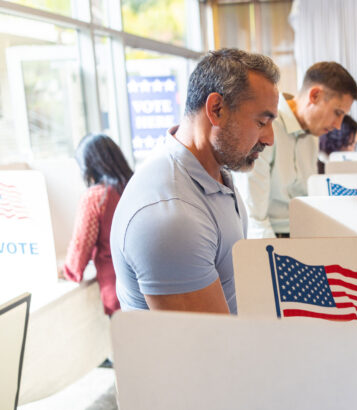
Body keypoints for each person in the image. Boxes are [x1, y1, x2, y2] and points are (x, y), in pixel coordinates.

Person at [110, 49, 280, 313]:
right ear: (216, 109)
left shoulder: (212, 170)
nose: (269, 139)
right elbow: (206, 348)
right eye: (261, 122)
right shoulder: (172, 217)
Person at [236, 62, 357, 238]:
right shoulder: (267, 126)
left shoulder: (312, 133)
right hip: (272, 237)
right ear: (315, 95)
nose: (338, 125)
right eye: (337, 113)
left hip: (303, 232)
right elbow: (254, 217)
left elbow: (307, 196)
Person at [63, 134, 132, 316]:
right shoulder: (135, 187)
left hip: (118, 292)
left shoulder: (97, 197)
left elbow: (81, 245)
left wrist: (68, 270)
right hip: (148, 288)